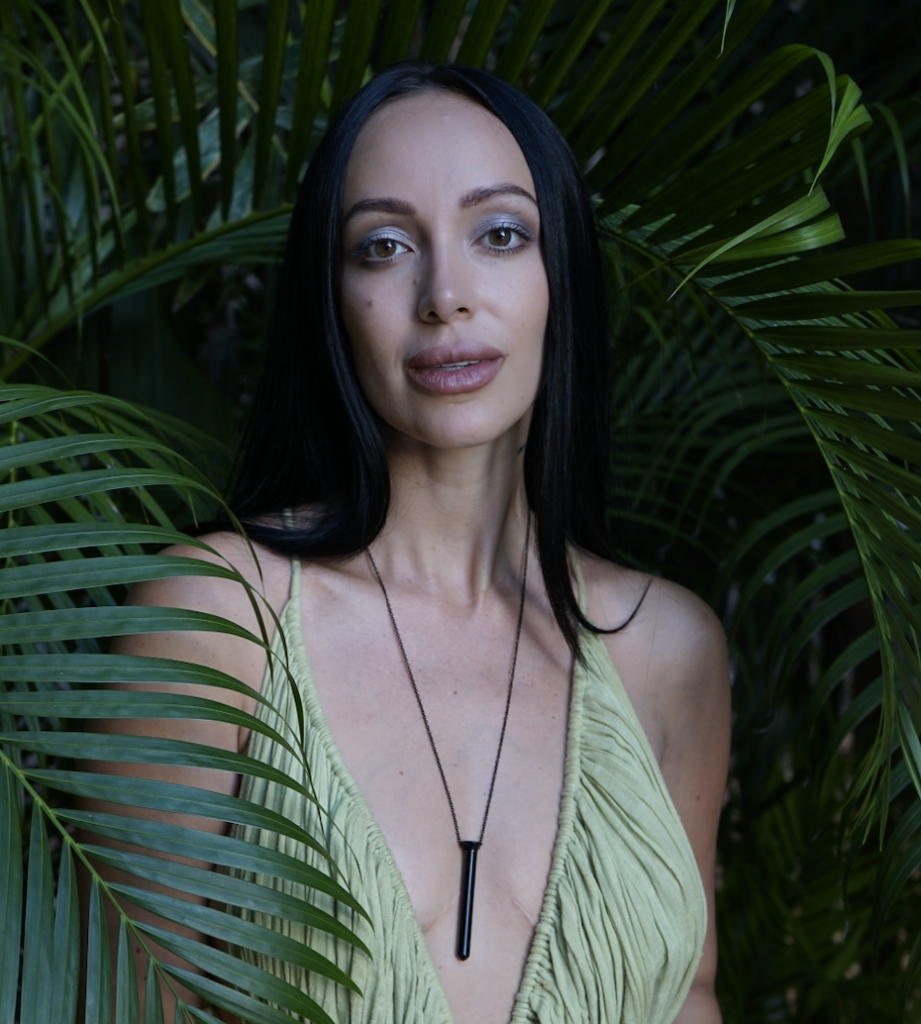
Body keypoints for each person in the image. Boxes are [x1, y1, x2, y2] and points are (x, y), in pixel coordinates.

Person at [85, 62, 731, 1024]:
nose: (445, 296)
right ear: (331, 300)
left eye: (500, 234)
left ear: (560, 278)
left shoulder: (666, 651)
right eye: (383, 246)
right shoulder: (220, 622)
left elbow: (688, 999)